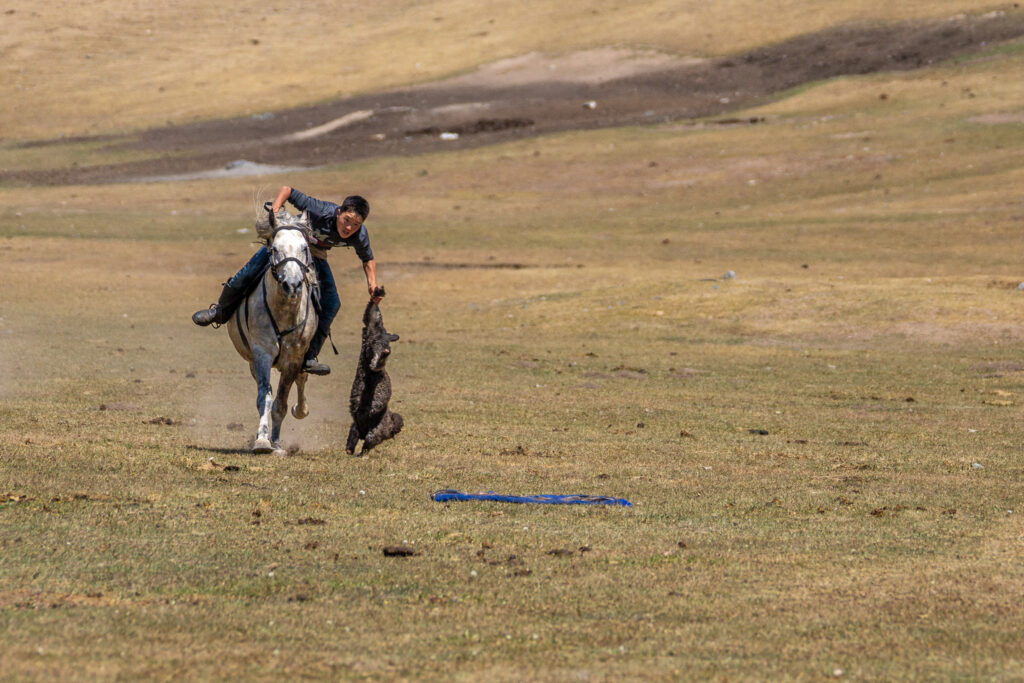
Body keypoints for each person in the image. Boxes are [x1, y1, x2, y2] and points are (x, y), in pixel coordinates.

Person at [192, 185, 381, 376]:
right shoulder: (322, 210)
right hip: (288, 245)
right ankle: (218, 312)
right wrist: (274, 212)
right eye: (346, 220)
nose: (349, 228)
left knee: (332, 303)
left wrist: (372, 285)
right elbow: (287, 190)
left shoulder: (359, 234)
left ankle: (309, 356)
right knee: (247, 274)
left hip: (314, 254)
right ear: (339, 212)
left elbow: (368, 259)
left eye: (355, 224)